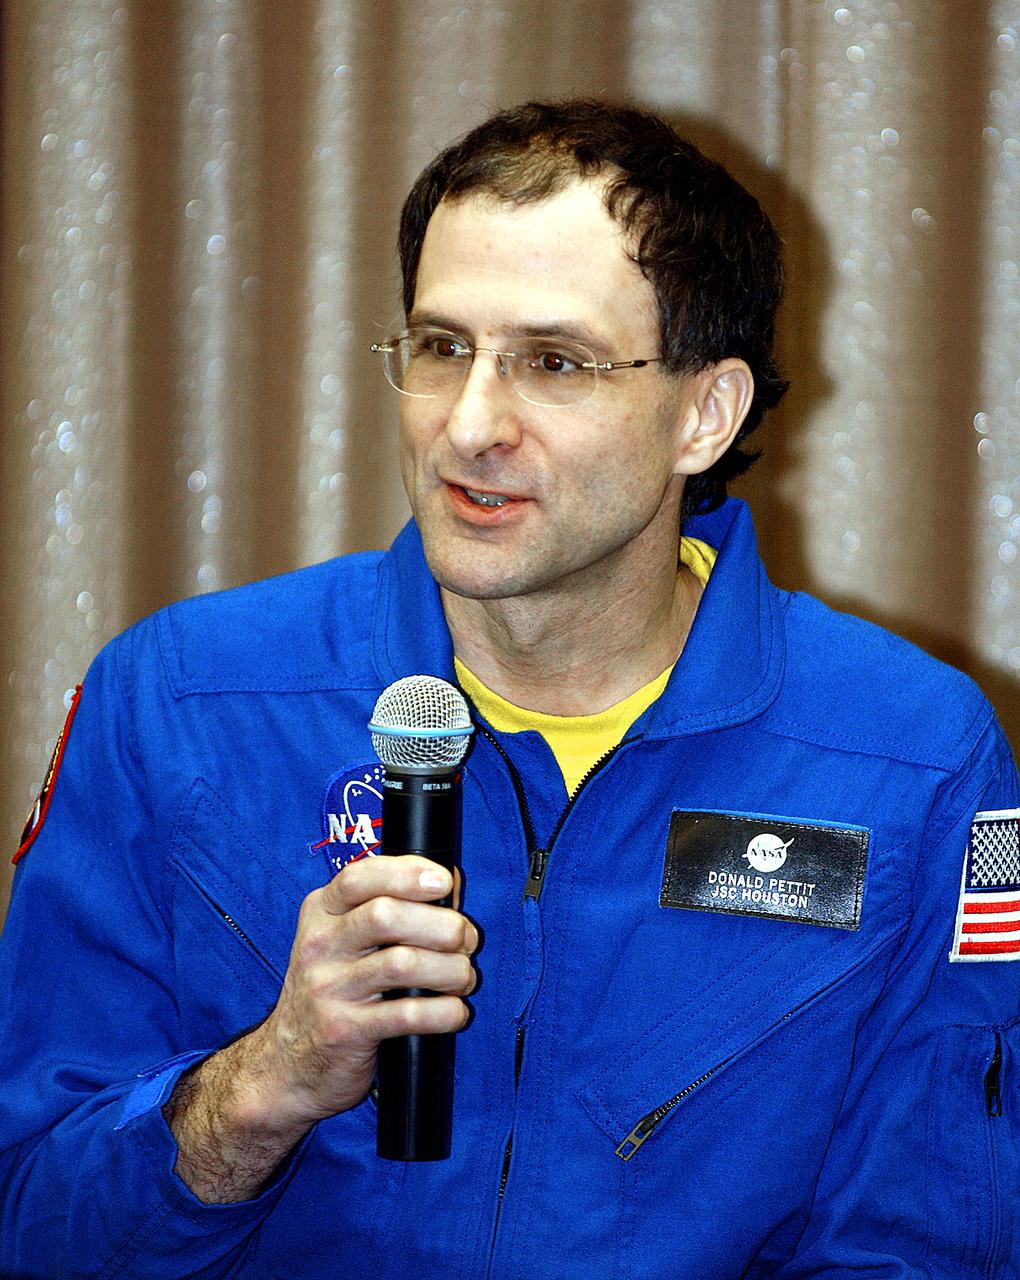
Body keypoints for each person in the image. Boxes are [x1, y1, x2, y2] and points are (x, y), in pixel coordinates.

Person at [1, 99, 1017, 1279]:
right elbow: (29, 1211)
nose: (470, 425)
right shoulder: (179, 702)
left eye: (554, 363)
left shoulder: (910, 756)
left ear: (705, 412)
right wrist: (262, 1084)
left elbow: (928, 1244)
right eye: (440, 348)